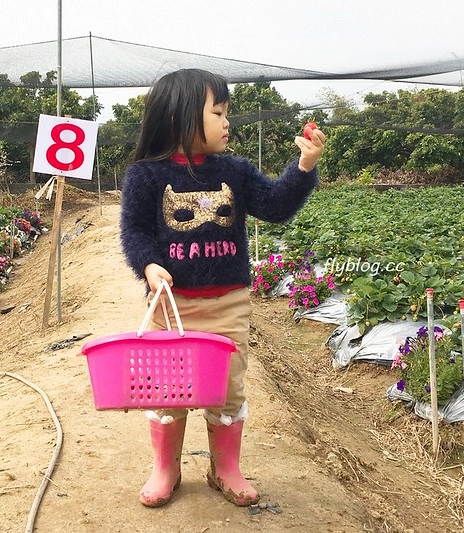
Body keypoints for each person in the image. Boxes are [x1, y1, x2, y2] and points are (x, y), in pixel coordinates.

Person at [119, 68, 325, 508]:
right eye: (218, 112)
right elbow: (134, 232)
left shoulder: (234, 170)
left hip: (228, 305)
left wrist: (304, 166)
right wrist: (150, 264)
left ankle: (224, 468)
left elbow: (274, 205)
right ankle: (166, 467)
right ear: (182, 117)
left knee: (228, 389)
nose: (227, 122)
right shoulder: (146, 175)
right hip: (170, 308)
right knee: (167, 391)